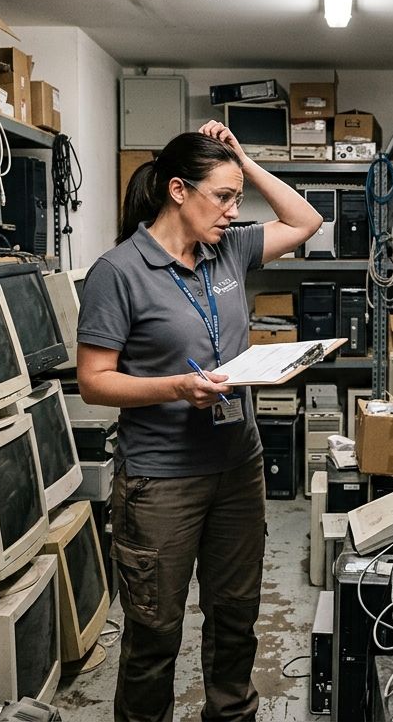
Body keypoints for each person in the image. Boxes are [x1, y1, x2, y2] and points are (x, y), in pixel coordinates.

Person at [75, 121, 322, 722]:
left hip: (238, 467)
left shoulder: (228, 249)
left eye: (239, 199)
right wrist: (176, 388)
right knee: (155, 634)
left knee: (236, 619)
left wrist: (241, 157)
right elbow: (94, 381)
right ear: (178, 190)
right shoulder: (118, 272)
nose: (235, 212)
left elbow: (305, 221)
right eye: (224, 197)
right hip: (161, 480)